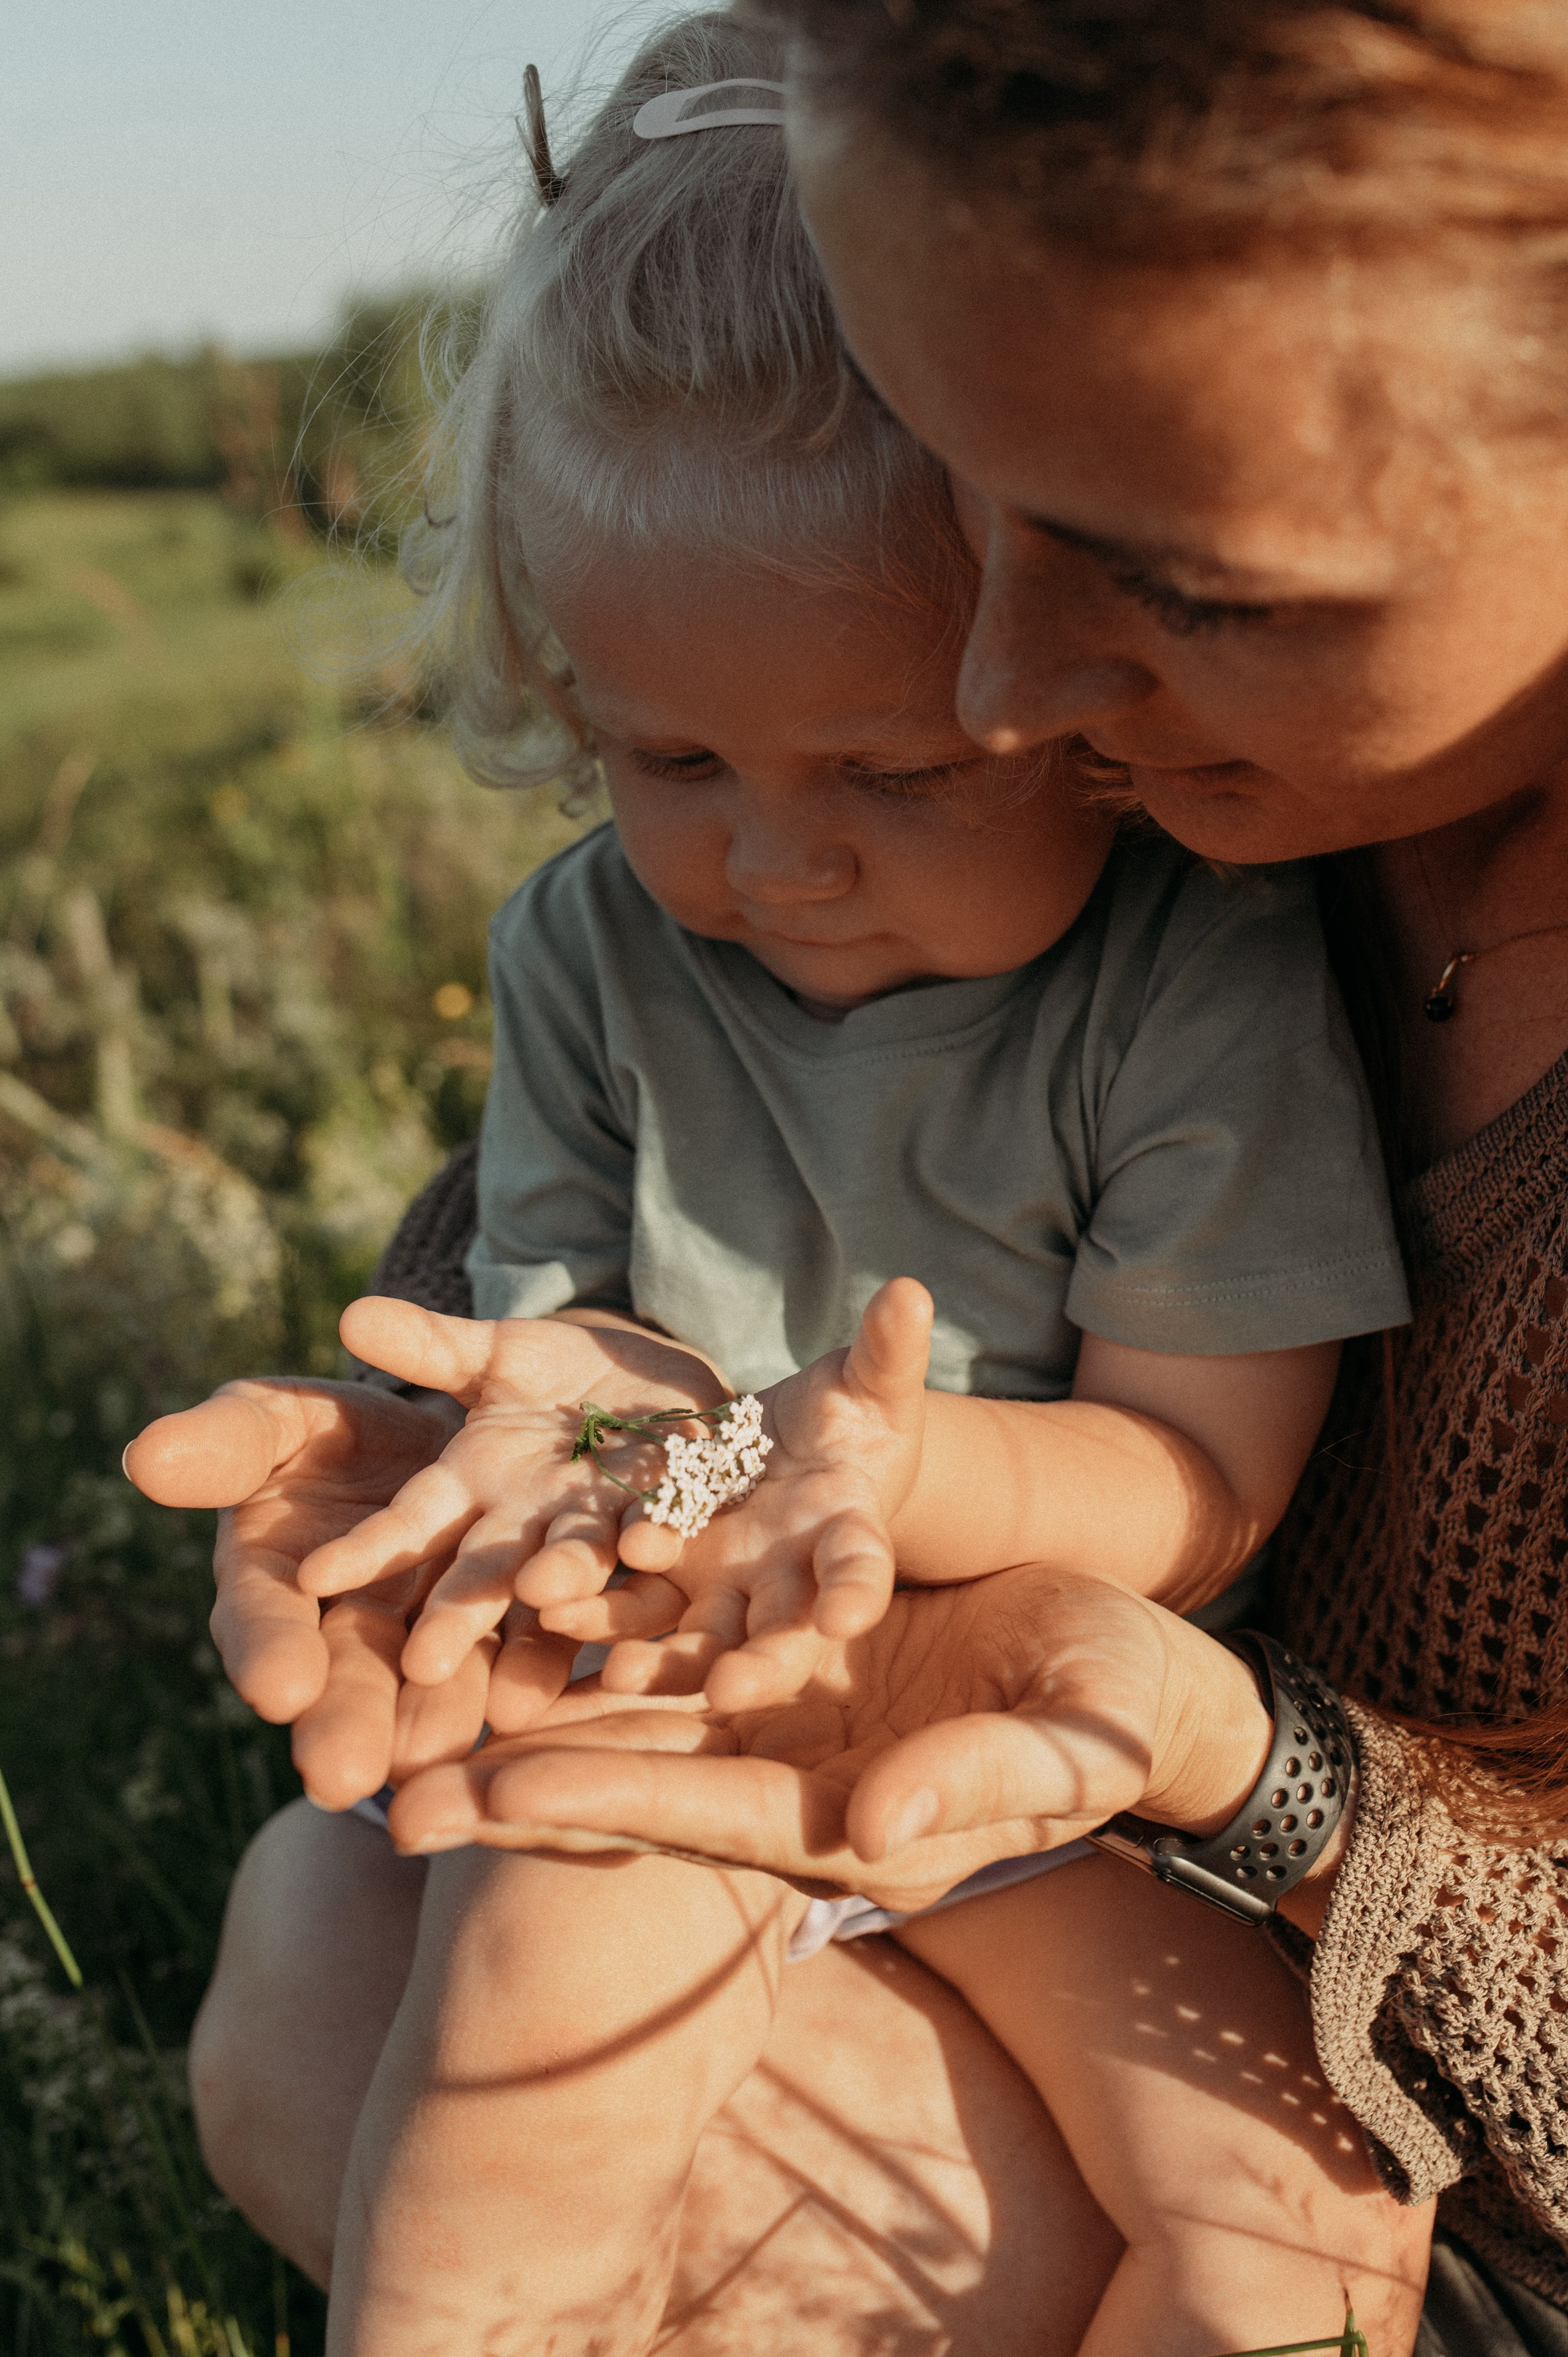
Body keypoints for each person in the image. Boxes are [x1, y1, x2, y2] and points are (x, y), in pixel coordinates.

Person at [129, 1, 1568, 2350]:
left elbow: (1184, 1491)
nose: (1016, 687)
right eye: (665, 754)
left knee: (1282, 2226)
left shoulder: (1177, 961)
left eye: (1172, 579)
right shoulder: (671, 917)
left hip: (1116, 1801)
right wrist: (514, 1427)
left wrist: (865, 1482)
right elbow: (562, 1297)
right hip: (815, 1703)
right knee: (378, 1943)